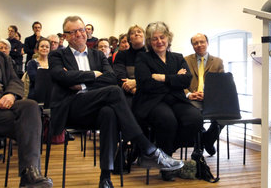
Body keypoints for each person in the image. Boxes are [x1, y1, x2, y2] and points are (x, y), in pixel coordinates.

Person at [49, 16, 183, 188]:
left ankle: (105, 178)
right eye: (73, 32)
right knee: (114, 92)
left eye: (81, 30)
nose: (79, 34)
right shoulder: (57, 55)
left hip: (96, 107)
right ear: (66, 36)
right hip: (72, 107)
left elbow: (111, 78)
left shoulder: (97, 54)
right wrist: (93, 75)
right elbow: (60, 75)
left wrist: (80, 83)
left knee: (110, 112)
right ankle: (147, 148)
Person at [0, 14, 53, 187]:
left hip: (4, 109)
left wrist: (10, 95)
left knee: (31, 107)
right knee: (30, 125)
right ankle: (29, 177)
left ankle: (30, 174)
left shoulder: (2, 57)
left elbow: (15, 81)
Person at [135, 22, 203, 159]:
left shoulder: (177, 57)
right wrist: (175, 78)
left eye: (162, 37)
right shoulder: (143, 58)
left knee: (195, 118)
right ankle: (166, 162)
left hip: (176, 100)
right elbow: (146, 84)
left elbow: (186, 80)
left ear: (168, 38)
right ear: (149, 41)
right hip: (153, 101)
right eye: (154, 39)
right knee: (168, 120)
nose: (159, 41)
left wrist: (162, 78)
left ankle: (167, 151)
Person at [185, 33, 225, 156]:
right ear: (192, 46)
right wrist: (189, 94)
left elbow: (221, 84)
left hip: (211, 99)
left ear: (207, 43)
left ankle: (207, 140)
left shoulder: (218, 62)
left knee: (224, 116)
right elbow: (180, 82)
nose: (199, 45)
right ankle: (198, 148)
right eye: (195, 43)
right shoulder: (185, 60)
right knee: (196, 116)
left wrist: (209, 95)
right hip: (192, 99)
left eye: (202, 42)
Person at [113, 25, 146, 109]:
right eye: (132, 33)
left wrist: (137, 84)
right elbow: (120, 76)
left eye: (139, 31)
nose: (136, 34)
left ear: (144, 36)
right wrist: (133, 90)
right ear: (129, 39)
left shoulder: (151, 54)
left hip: (148, 91)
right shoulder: (122, 55)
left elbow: (154, 76)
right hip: (127, 92)